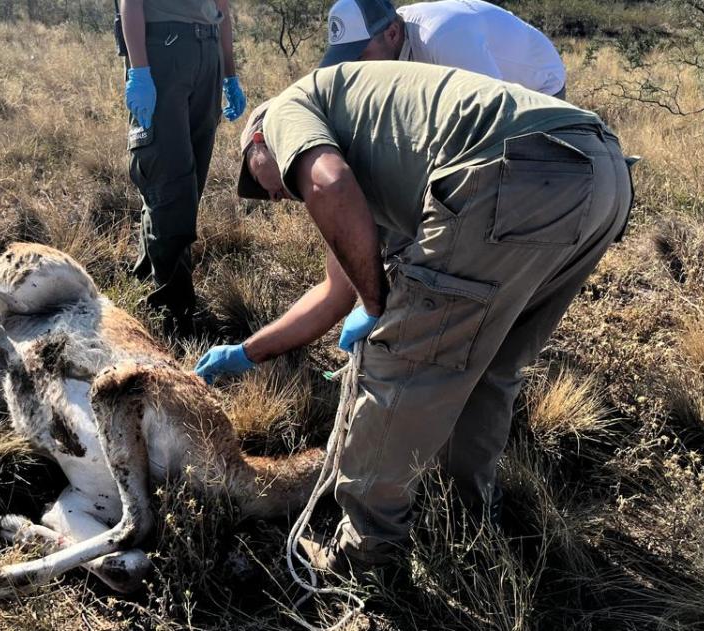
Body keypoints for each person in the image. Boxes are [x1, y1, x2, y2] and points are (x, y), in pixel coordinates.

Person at [193, 61, 631, 573]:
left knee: (398, 371)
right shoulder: (376, 147)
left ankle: (365, 553)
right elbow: (338, 289)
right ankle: (464, 520)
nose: (272, 195)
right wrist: (248, 353)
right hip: (601, 175)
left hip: (510, 175)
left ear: (260, 139)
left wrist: (379, 309)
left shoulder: (290, 108)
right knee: (489, 368)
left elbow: (328, 186)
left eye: (259, 178)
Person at [119, 0, 247, 334]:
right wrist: (140, 71)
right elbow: (130, 4)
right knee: (170, 184)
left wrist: (229, 73)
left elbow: (222, 9)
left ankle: (148, 278)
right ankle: (175, 313)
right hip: (163, 51)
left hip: (207, 52)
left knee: (189, 186)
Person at [320, 0, 567, 99]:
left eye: (360, 56)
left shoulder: (442, 38)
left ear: (392, 33)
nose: (355, 68)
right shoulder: (396, 42)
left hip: (538, 85)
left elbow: (495, 108)